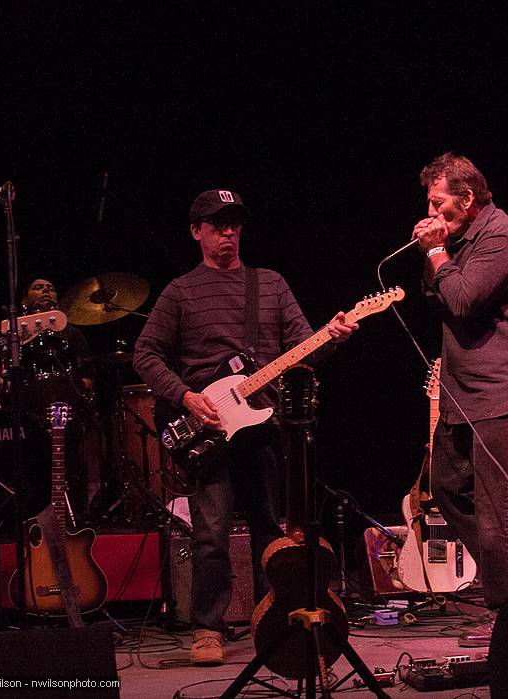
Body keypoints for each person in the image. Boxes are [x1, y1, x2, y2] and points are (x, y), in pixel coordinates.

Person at [133, 189, 357, 666]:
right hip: (206, 427)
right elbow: (144, 354)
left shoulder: (270, 284)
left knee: (270, 532)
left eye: (235, 224)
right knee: (211, 533)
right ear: (197, 231)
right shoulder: (180, 292)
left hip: (265, 428)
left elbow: (305, 348)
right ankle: (207, 630)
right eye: (217, 225)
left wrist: (331, 337)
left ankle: (270, 625)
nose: (229, 233)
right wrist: (186, 396)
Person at [411, 153, 508, 645]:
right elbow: (440, 300)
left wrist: (434, 254)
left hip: (503, 391)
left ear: (467, 200)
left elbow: (465, 300)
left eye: (438, 204)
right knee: (447, 490)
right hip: (462, 394)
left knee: (497, 516)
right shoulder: (460, 238)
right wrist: (438, 253)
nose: (430, 214)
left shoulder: (502, 235)